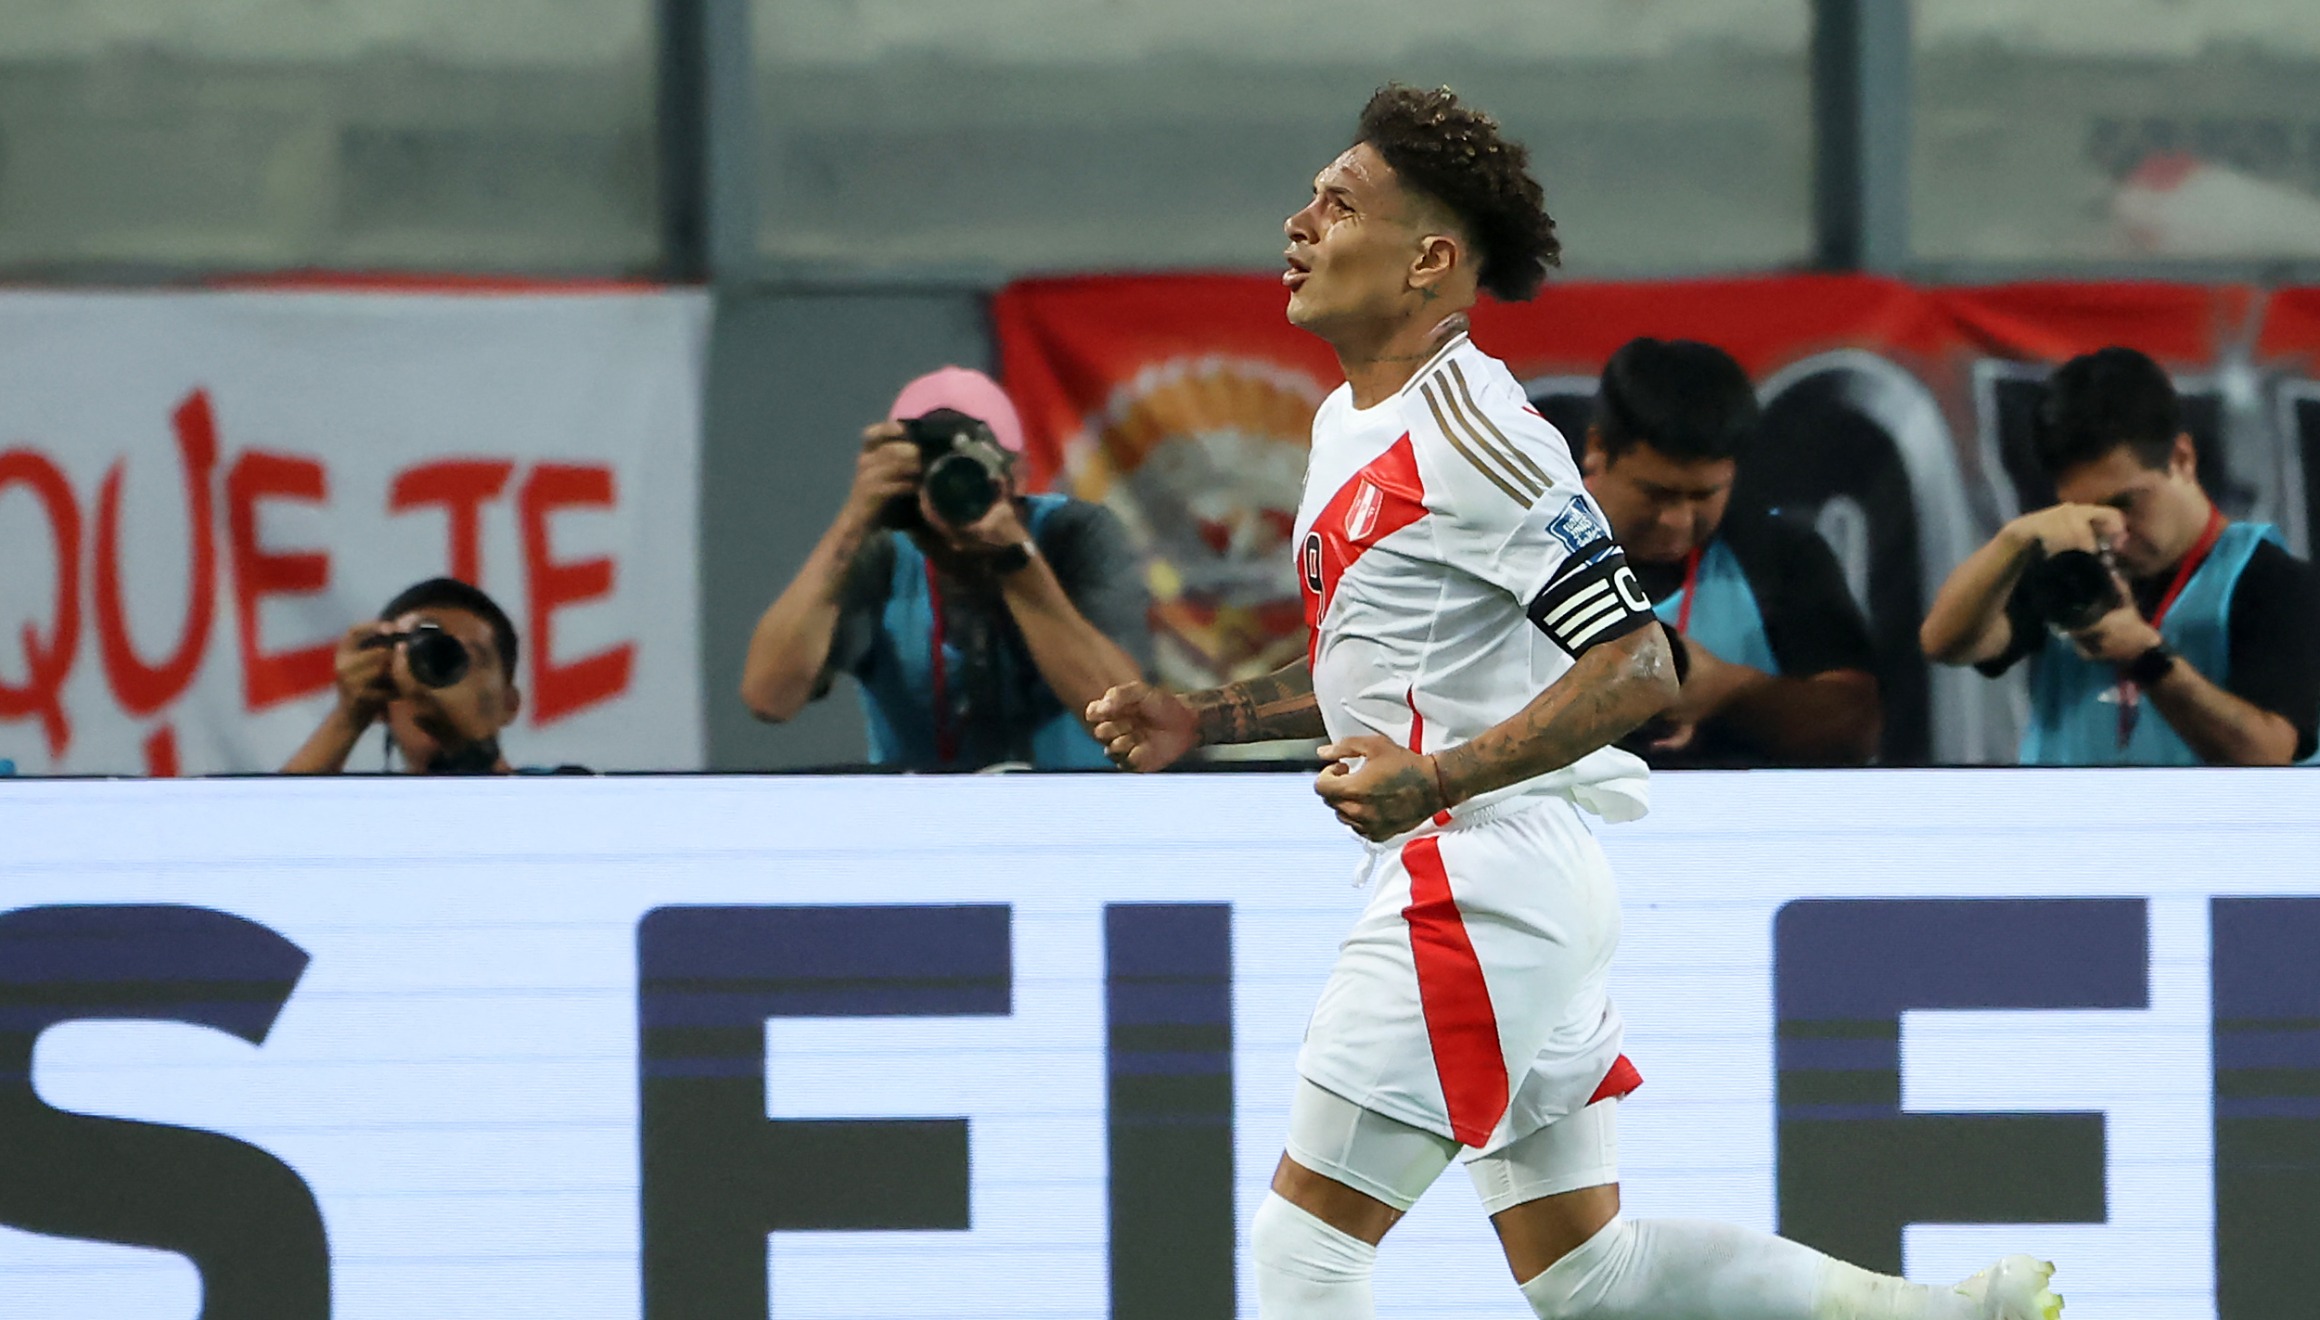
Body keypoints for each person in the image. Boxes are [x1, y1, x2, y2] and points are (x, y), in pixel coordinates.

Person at [1088, 84, 2060, 1320]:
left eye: (1334, 204)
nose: (1297, 222)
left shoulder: (1480, 430)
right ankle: (1940, 1315)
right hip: (1515, 879)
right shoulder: (1347, 418)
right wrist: (1202, 719)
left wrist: (1433, 781)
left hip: (1478, 874)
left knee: (1306, 1251)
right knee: (1587, 1277)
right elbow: (1381, 667)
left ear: (1429, 258)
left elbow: (1637, 665)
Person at [1922, 346, 2320, 765]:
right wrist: (2014, 541)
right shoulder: (2070, 572)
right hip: (2066, 827)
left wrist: (2146, 658)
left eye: (2127, 502)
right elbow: (1946, 643)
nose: (2114, 532)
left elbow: (2270, 760)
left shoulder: (2275, 584)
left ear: (2182, 459)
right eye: (2089, 512)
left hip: (2199, 830)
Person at [740, 367, 1150, 770]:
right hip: (924, 820)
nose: (950, 494)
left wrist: (1016, 562)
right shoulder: (882, 556)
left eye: (970, 473)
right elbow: (769, 698)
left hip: (1072, 817)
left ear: (1019, 477)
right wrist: (853, 522)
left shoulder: (1069, 535)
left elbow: (1132, 724)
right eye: (929, 477)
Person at [1580, 338, 1881, 766]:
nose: (1677, 522)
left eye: (1704, 495)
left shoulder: (1784, 556)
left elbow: (1856, 730)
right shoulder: (1525, 553)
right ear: (1597, 450)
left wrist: (1729, 691)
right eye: (1655, 493)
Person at [283, 577, 526, 774]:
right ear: (382, 701)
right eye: (424, 660)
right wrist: (347, 717)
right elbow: (274, 823)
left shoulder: (559, 794)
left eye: (460, 661)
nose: (437, 684)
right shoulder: (361, 814)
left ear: (509, 704)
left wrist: (469, 749)